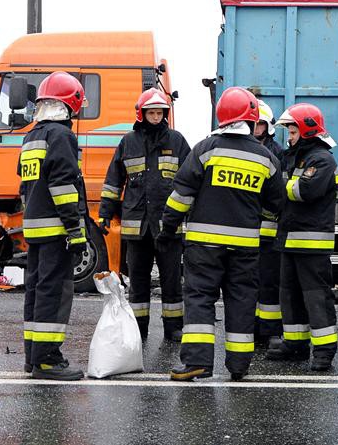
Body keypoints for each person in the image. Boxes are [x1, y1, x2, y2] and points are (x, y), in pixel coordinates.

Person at [160, 87, 284, 381]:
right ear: (252, 119)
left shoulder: (206, 149)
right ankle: (239, 364)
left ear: (222, 117)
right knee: (241, 300)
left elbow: (182, 195)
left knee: (200, 298)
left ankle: (197, 362)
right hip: (245, 248)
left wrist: (168, 227)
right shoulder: (267, 158)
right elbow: (275, 206)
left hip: (204, 245)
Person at [98, 87, 191, 341]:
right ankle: (139, 329)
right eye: (151, 112)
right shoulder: (128, 142)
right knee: (138, 281)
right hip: (136, 226)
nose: (156, 116)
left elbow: (190, 181)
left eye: (159, 112)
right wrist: (105, 212)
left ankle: (174, 328)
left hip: (168, 226)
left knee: (172, 280)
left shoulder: (177, 141)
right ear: (142, 114)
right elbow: (113, 180)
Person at [19, 71, 88, 381]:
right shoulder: (61, 136)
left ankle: (33, 356)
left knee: (35, 291)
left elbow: (25, 187)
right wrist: (75, 231)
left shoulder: (31, 136)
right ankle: (47, 359)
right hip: (56, 229)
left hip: (34, 228)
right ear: (72, 104)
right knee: (55, 292)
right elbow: (63, 187)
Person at [265, 103, 338, 371]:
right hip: (290, 239)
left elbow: (304, 191)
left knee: (316, 297)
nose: (290, 136)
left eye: (293, 131)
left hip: (311, 243)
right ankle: (295, 344)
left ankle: (324, 350)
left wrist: (275, 187)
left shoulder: (322, 159)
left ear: (307, 130)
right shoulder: (295, 158)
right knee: (290, 295)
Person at [253, 100, 284, 346]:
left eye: (260, 124)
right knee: (249, 282)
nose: (256, 128)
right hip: (247, 227)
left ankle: (271, 330)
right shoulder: (244, 148)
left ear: (268, 126)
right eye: (252, 123)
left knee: (270, 281)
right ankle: (253, 328)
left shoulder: (277, 153)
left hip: (270, 229)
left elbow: (279, 194)